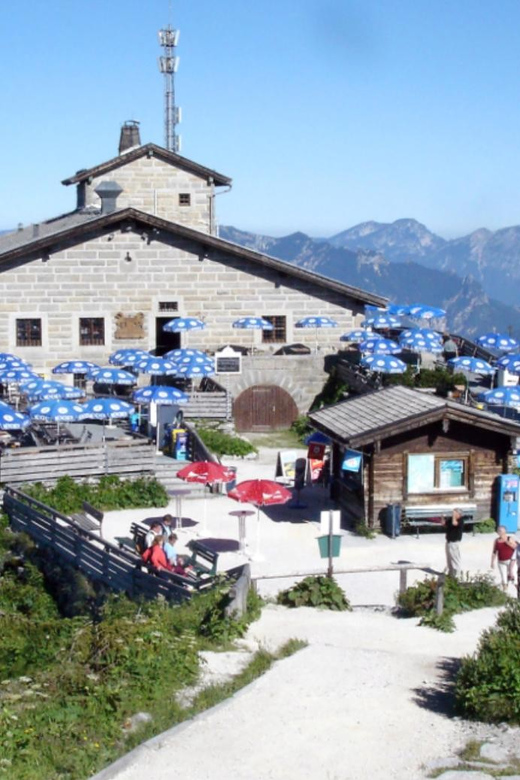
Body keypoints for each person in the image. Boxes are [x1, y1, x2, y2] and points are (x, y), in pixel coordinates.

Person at [491, 525, 517, 591]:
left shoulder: (509, 538)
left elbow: (516, 548)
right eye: (498, 530)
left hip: (510, 561)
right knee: (503, 577)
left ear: (505, 531)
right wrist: (492, 562)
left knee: (514, 577)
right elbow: (494, 551)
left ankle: (517, 590)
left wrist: (507, 542)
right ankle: (505, 591)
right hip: (501, 561)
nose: (499, 532)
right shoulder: (496, 540)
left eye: (500, 531)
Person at [444, 507, 464, 577]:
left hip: (454, 542)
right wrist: (442, 517)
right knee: (449, 559)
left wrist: (454, 516)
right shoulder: (451, 519)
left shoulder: (460, 520)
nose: (453, 514)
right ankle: (451, 574)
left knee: (455, 559)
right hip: (448, 541)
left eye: (455, 513)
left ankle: (457, 575)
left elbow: (454, 523)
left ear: (459, 514)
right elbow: (443, 524)